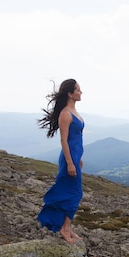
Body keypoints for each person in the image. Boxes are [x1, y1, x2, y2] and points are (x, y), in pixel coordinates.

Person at [37, 79, 85, 243]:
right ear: (70, 94)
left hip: (74, 157)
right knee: (74, 193)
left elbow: (76, 138)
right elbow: (64, 141)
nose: (81, 92)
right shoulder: (65, 113)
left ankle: (67, 227)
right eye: (78, 90)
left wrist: (78, 159)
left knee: (72, 193)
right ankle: (64, 228)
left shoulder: (74, 111)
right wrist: (70, 163)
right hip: (68, 159)